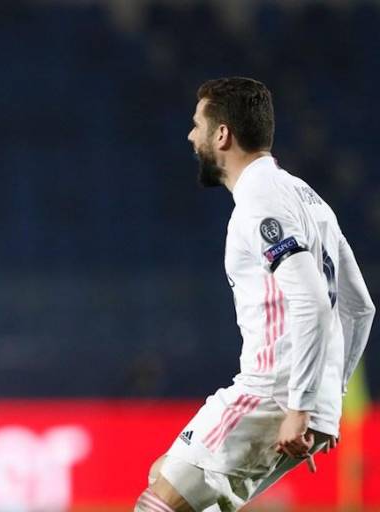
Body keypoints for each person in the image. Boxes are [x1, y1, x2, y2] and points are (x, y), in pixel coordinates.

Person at [135, 77, 374, 512]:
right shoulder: (309, 198)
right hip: (296, 399)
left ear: (221, 134)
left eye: (197, 124)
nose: (191, 136)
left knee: (157, 505)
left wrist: (302, 406)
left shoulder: (260, 199)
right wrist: (326, 400)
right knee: (165, 473)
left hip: (272, 392)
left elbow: (315, 302)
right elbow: (360, 307)